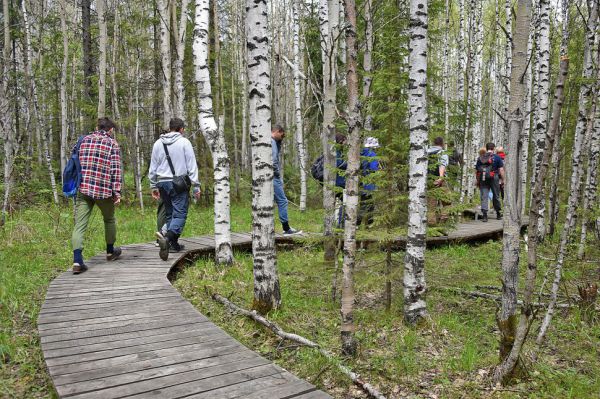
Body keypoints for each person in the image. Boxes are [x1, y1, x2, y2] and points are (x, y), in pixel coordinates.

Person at [70, 117, 123, 274]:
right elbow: (115, 169)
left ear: (97, 126)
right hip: (103, 191)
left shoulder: (83, 140)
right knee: (109, 220)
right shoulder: (112, 144)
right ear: (110, 130)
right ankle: (110, 251)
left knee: (79, 225)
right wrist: (117, 192)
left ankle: (77, 261)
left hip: (83, 189)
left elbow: (74, 161)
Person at [149, 118, 201, 260]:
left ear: (170, 127)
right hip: (178, 184)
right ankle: (167, 237)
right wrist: (196, 185)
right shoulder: (184, 142)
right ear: (181, 129)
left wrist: (153, 184)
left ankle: (172, 243)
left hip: (162, 183)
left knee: (170, 214)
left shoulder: (158, 143)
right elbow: (192, 165)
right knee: (180, 215)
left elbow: (153, 166)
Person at [272, 124, 301, 235]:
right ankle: (286, 228)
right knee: (282, 201)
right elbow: (274, 161)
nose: (282, 138)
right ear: (278, 131)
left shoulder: (271, 142)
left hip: (267, 177)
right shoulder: (272, 142)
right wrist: (277, 174)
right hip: (273, 177)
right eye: (282, 136)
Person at [476, 142, 505, 222]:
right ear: (493, 148)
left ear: (486, 148)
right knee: (496, 195)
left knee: (484, 195)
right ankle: (498, 213)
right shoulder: (497, 157)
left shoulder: (480, 158)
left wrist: (478, 181)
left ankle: (485, 215)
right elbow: (501, 170)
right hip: (494, 177)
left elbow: (478, 171)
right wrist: (503, 180)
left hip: (483, 178)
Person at [358, 136, 380, 226]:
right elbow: (373, 168)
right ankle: (362, 223)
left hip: (361, 181)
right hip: (369, 182)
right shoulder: (372, 154)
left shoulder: (361, 153)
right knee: (367, 203)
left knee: (366, 202)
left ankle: (367, 223)